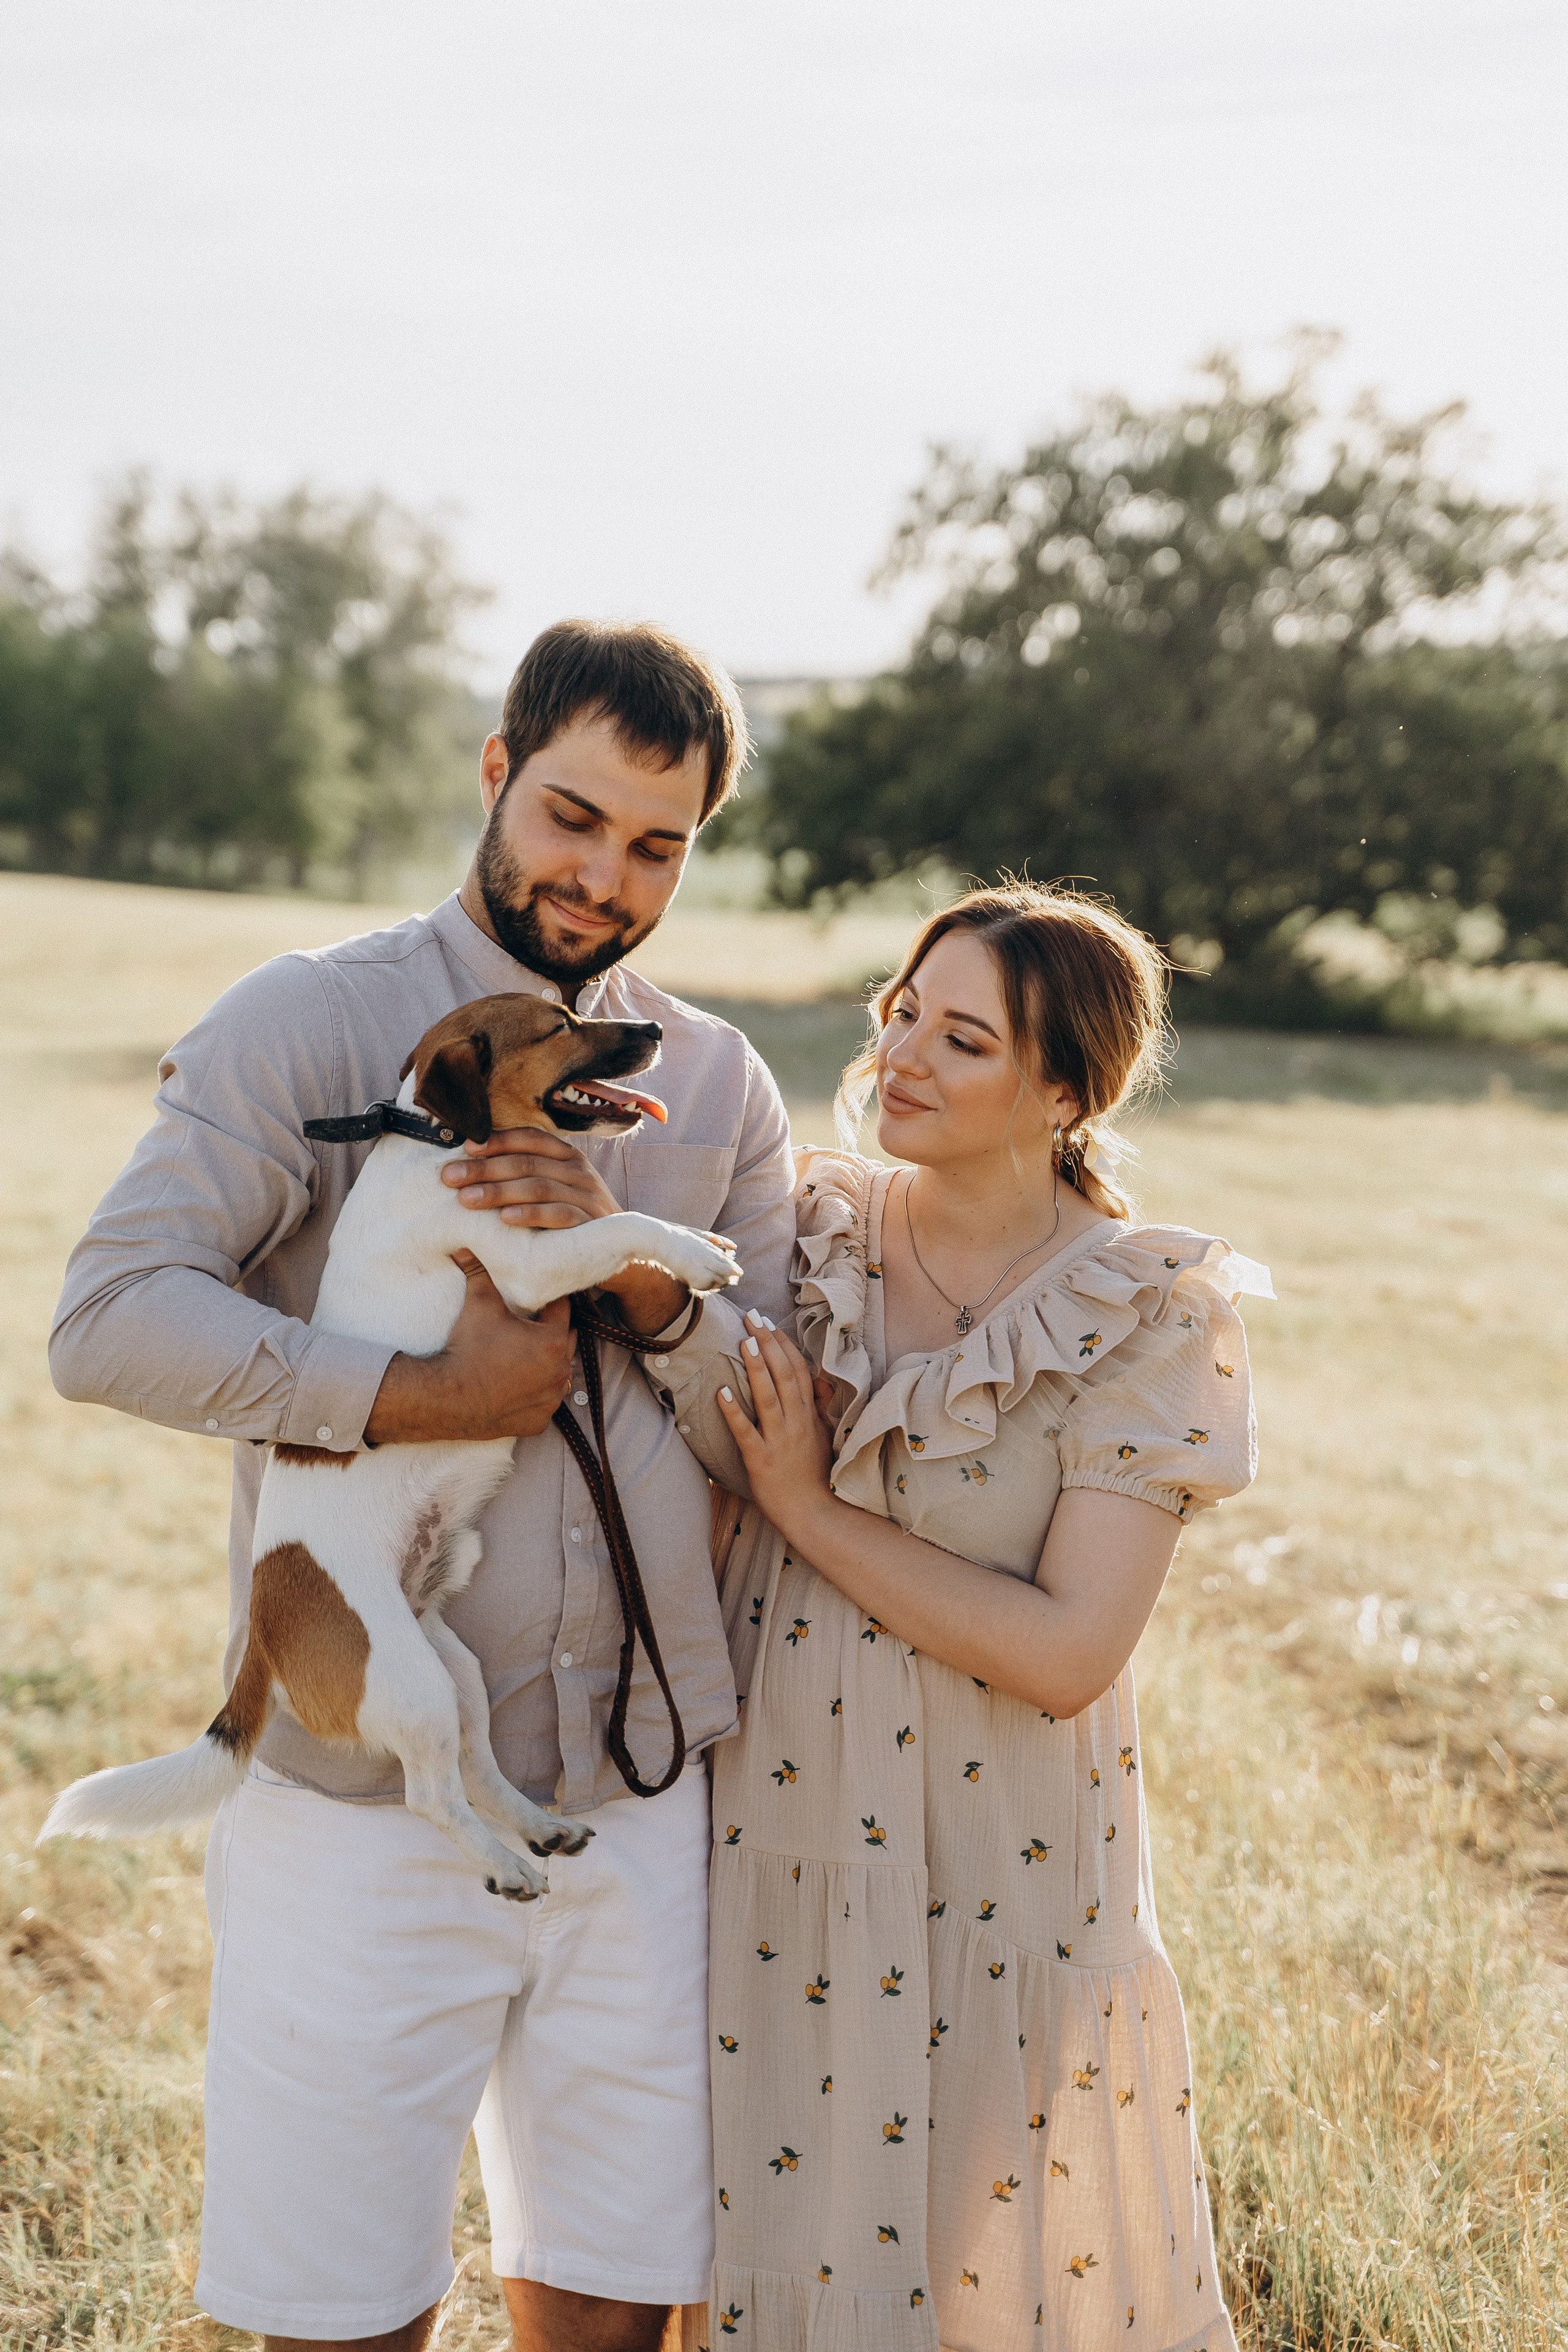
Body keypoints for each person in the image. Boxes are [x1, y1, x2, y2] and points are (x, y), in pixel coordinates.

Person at [48, 621, 797, 2352]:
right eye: (571, 816)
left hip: (644, 1793)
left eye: (658, 844)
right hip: (355, 1809)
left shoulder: (716, 1080)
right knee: (340, 2322)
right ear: (495, 771)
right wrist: (414, 1396)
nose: (603, 877)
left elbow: (780, 1419)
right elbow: (109, 1322)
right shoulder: (308, 1020)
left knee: (617, 2317)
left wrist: (643, 1287)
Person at [646, 884, 1272, 2352]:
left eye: (962, 1040)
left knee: (979, 2279)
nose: (901, 1058)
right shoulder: (803, 1228)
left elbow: (1066, 1654)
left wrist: (811, 1511)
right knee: (768, 2251)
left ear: (1063, 1094)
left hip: (1002, 1873)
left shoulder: (1144, 1313)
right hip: (771, 1835)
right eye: (902, 1013)